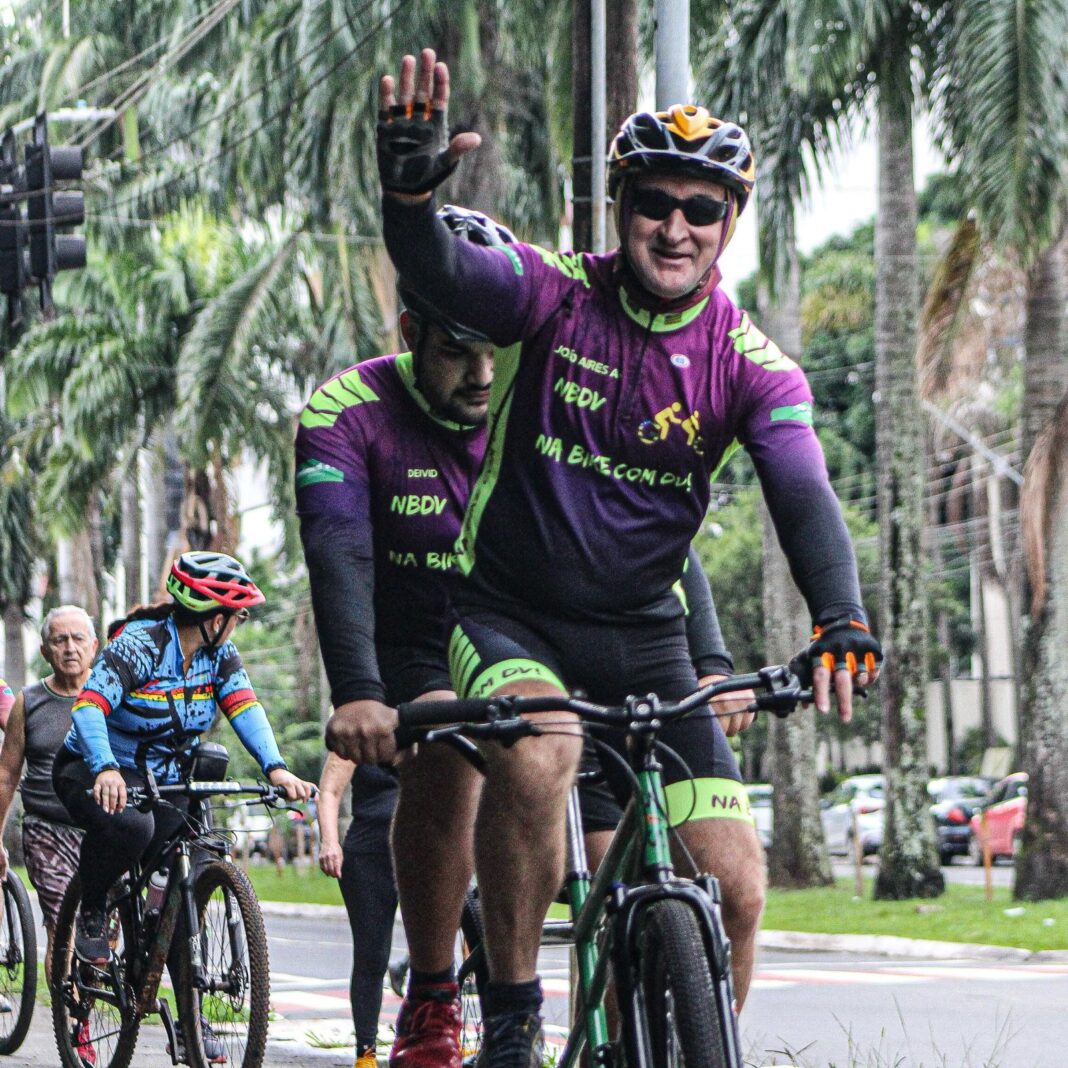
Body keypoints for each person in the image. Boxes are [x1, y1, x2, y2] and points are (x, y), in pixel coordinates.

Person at [326, 49, 885, 1068]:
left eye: (703, 210)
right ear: (622, 206)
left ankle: (672, 1044)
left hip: (648, 640)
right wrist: (407, 196)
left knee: (739, 885)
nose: (677, 227)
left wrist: (839, 616)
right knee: (539, 753)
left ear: (729, 224)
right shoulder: (550, 298)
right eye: (656, 202)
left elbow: (801, 487)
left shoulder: (751, 366)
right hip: (504, 617)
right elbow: (445, 270)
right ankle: (505, 1010)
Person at [299, 205, 737, 1068]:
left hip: (560, 637)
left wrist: (712, 661)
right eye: (459, 349)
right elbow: (337, 552)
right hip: (427, 643)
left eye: (497, 349)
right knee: (449, 752)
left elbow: (646, 533)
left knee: (620, 864)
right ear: (412, 330)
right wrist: (357, 688)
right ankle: (433, 993)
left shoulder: (553, 388)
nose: (482, 372)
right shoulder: (352, 411)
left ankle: (630, 1024)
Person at [53, 551, 315, 1065]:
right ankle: (93, 908)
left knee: (183, 885)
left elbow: (246, 708)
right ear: (214, 617)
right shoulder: (140, 646)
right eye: (237, 616)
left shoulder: (220, 658)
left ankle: (190, 1022)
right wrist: (106, 767)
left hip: (165, 778)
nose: (239, 625)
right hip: (92, 766)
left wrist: (277, 768)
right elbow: (88, 708)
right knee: (131, 828)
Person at [0, 607, 98, 970]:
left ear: (94, 647)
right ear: (45, 651)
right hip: (47, 830)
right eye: (60, 640)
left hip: (103, 828)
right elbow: (8, 774)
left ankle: (90, 1013)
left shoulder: (113, 697)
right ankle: (66, 1018)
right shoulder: (29, 701)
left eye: (78, 639)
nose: (70, 648)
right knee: (61, 924)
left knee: (103, 936)